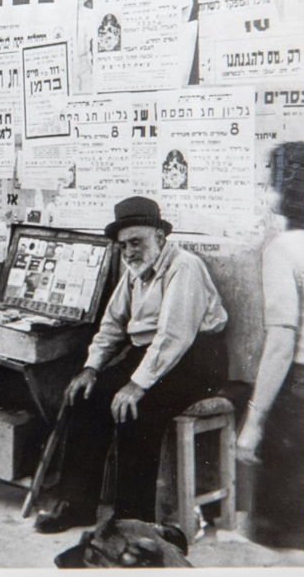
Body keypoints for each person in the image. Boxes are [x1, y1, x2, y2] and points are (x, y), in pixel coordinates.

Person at [35, 196, 229, 533]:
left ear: (160, 237)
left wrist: (137, 385)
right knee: (85, 396)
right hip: (152, 355)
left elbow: (175, 336)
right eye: (123, 245)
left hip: (197, 360)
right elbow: (112, 325)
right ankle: (78, 505)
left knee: (136, 410)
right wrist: (91, 368)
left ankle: (132, 520)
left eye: (136, 242)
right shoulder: (134, 270)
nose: (129, 252)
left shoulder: (184, 266)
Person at [237, 141, 304, 550]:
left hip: (300, 393)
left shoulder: (283, 250)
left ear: (285, 191)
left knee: (286, 537)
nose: (265, 193)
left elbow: (282, 341)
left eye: (269, 184)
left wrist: (254, 422)